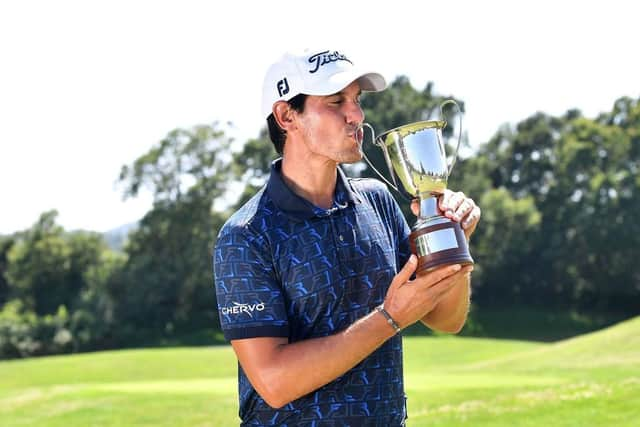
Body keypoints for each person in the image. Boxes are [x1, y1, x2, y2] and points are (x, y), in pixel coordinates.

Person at [214, 48, 481, 426]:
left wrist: (454, 245)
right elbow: (273, 382)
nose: (356, 115)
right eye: (336, 101)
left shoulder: (377, 201)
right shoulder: (247, 235)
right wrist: (389, 318)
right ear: (286, 115)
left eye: (356, 101)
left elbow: (445, 319)